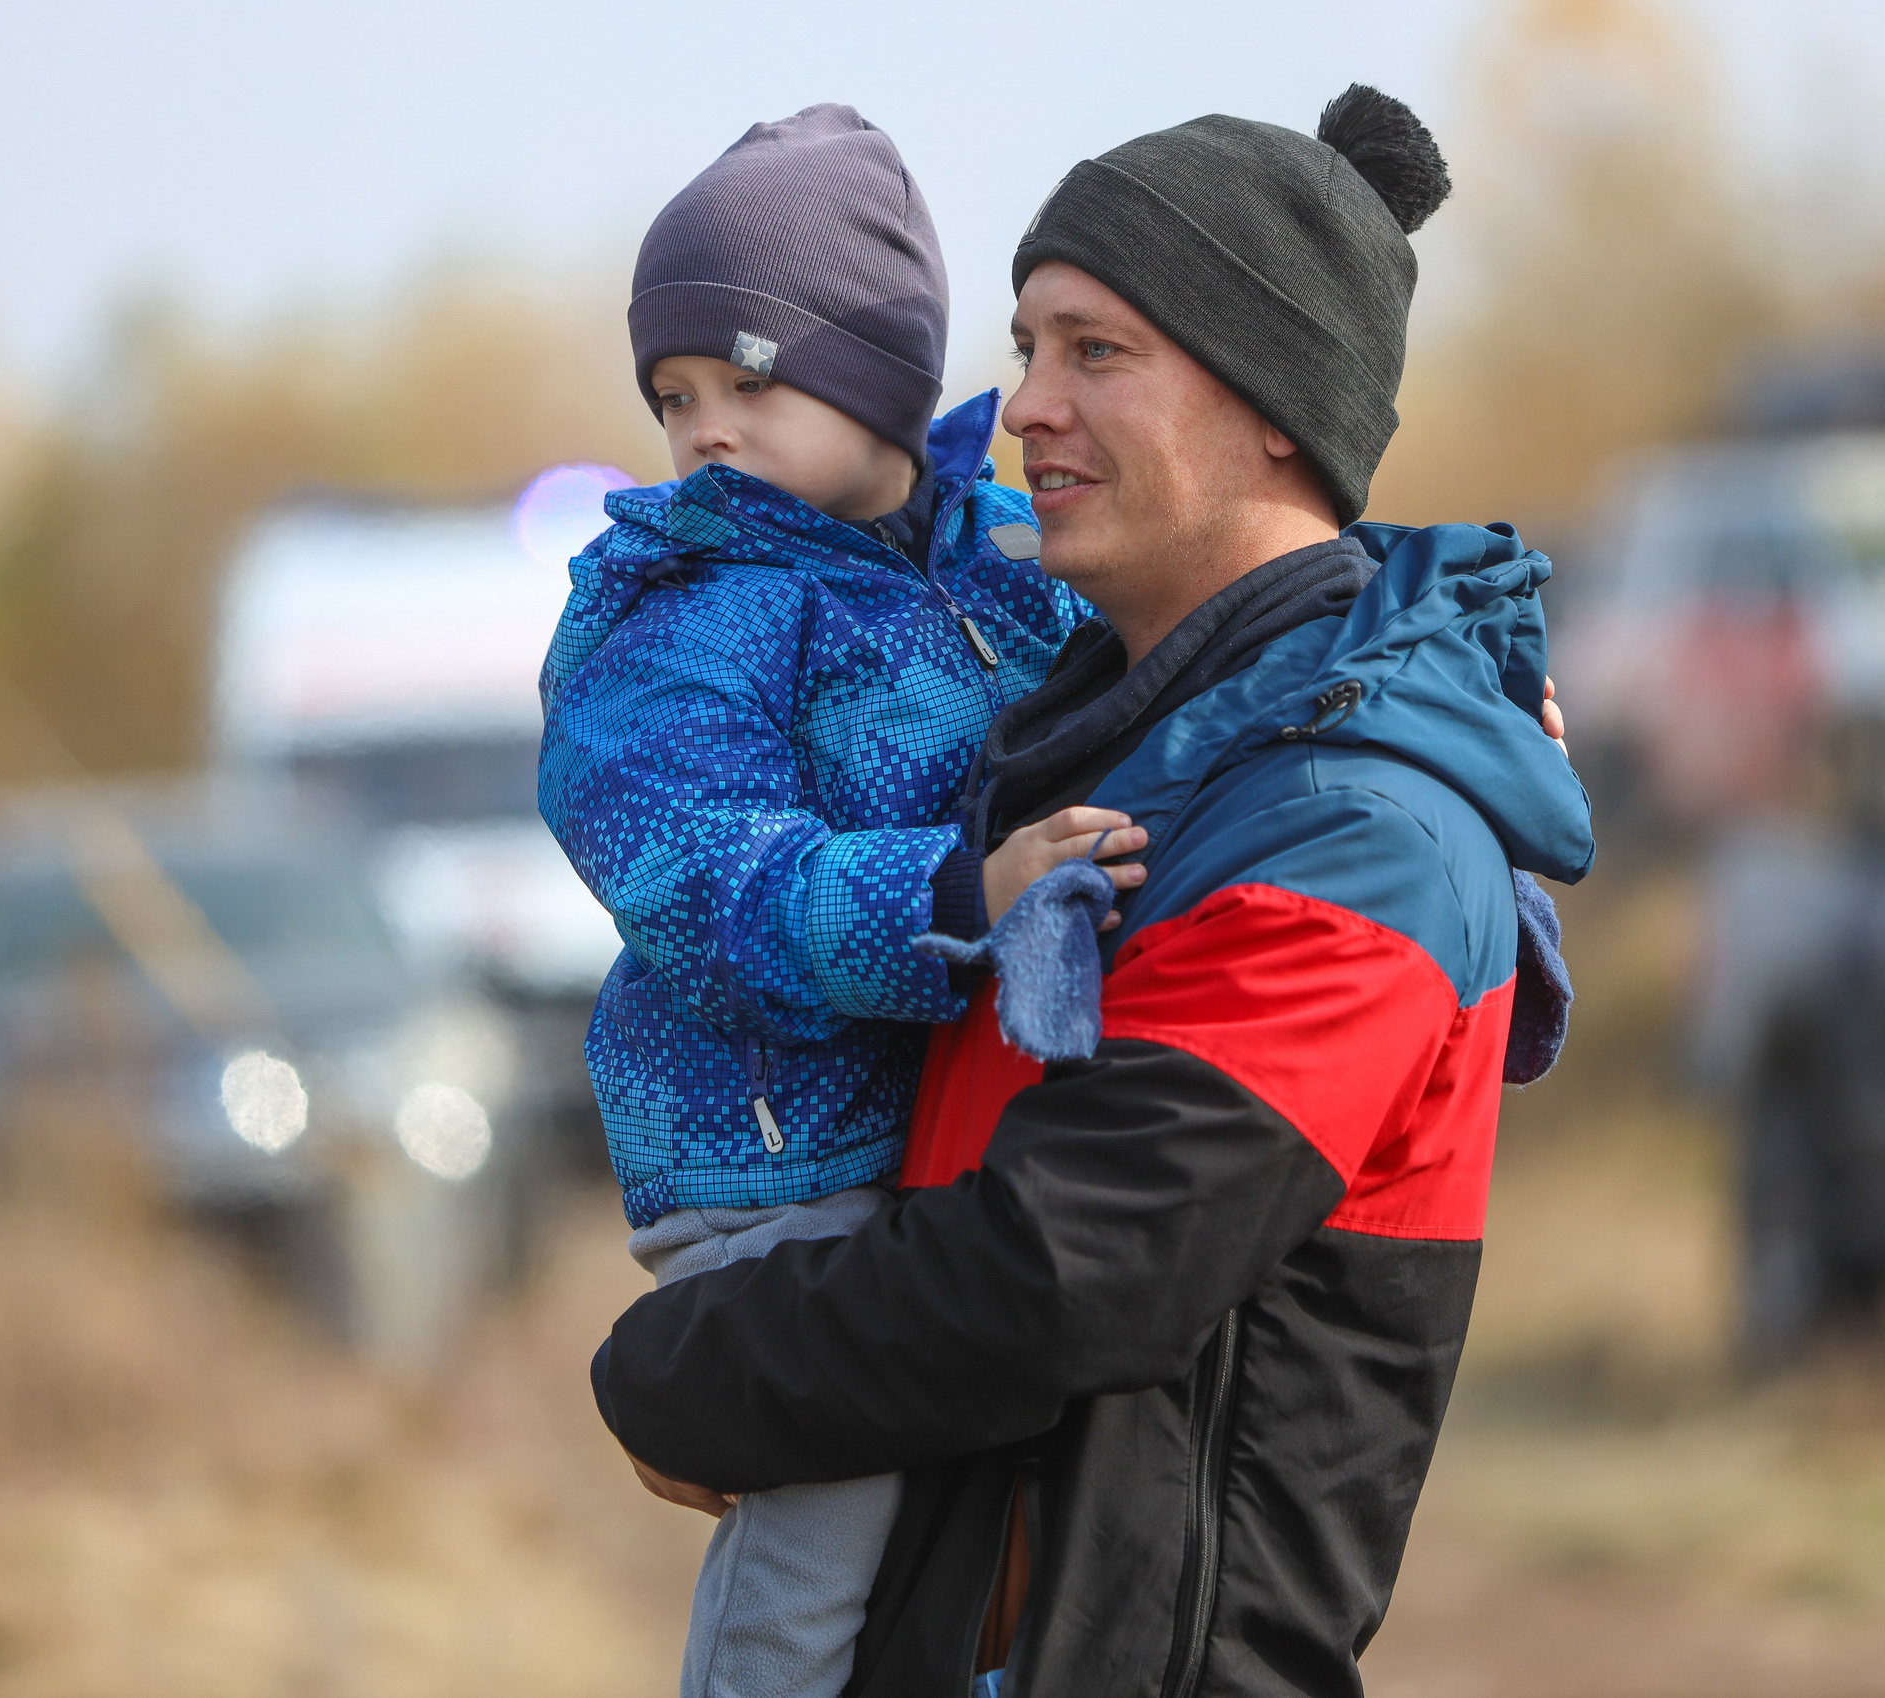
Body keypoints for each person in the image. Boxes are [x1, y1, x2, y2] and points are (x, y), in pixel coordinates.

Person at [590, 89, 1597, 1696]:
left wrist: (673, 1370)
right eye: (1023, 343)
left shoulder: (1356, 828)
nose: (1023, 405)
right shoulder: (1112, 745)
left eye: (1094, 351)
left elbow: (1059, 1277)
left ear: (1276, 404)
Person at [536, 104, 1147, 1698]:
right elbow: (699, 863)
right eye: (674, 396)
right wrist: (955, 892)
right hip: (769, 1149)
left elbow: (1190, 640)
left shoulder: (1011, 556)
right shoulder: (686, 610)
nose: (705, 430)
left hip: (941, 1133)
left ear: (876, 376)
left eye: (749, 379)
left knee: (994, 1521)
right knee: (828, 1520)